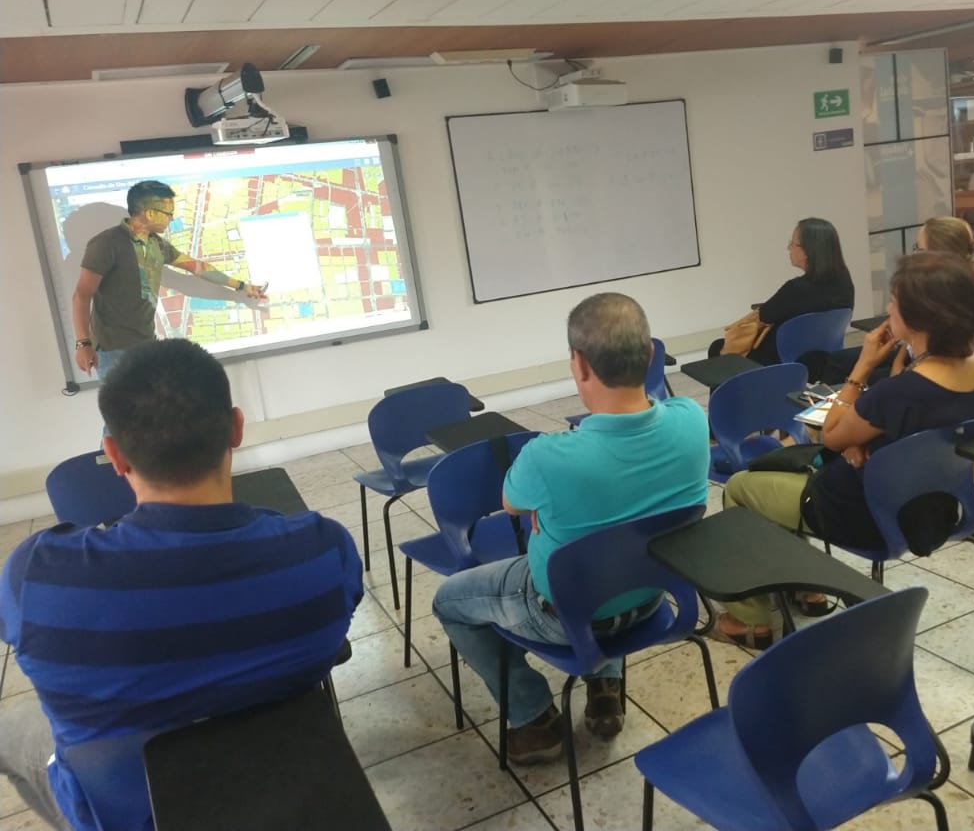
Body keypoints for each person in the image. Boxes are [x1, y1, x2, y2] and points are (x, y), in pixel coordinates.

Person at [0, 339, 363, 831]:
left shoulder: (37, 576)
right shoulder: (326, 551)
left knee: (11, 729)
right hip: (281, 786)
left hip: (133, 809)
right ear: (236, 428)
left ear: (114, 454)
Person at [433, 293, 708, 765]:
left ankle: (533, 717)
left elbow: (510, 503)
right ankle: (604, 685)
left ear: (578, 365)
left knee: (449, 602)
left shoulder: (547, 456)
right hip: (652, 599)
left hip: (561, 616)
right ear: (648, 356)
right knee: (616, 553)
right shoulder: (691, 420)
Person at [712, 251, 974, 649]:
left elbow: (830, 435)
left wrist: (863, 367)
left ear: (919, 319)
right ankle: (806, 591)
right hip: (933, 507)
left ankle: (751, 621)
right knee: (786, 472)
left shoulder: (896, 394)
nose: (887, 308)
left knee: (743, 486)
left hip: (862, 513)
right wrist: (876, 444)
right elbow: (930, 427)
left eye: (894, 302)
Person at [71, 179, 267, 378]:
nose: (171, 218)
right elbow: (82, 295)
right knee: (129, 408)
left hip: (148, 344)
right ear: (149, 213)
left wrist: (241, 286)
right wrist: (83, 344)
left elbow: (197, 268)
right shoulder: (107, 243)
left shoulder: (158, 245)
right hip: (113, 351)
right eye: (168, 213)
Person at [822, 215, 974, 385]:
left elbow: (926, 348)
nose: (914, 256)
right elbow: (914, 339)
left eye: (919, 250)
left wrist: (892, 372)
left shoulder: (950, 298)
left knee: (854, 373)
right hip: (920, 358)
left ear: (938, 253)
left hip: (931, 367)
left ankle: (834, 408)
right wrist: (897, 362)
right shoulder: (960, 286)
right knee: (839, 360)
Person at [710, 217, 855, 366]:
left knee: (717, 347)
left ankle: (734, 389)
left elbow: (765, 314)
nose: (788, 248)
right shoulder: (844, 280)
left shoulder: (796, 289)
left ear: (807, 251)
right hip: (820, 358)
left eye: (793, 243)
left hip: (778, 359)